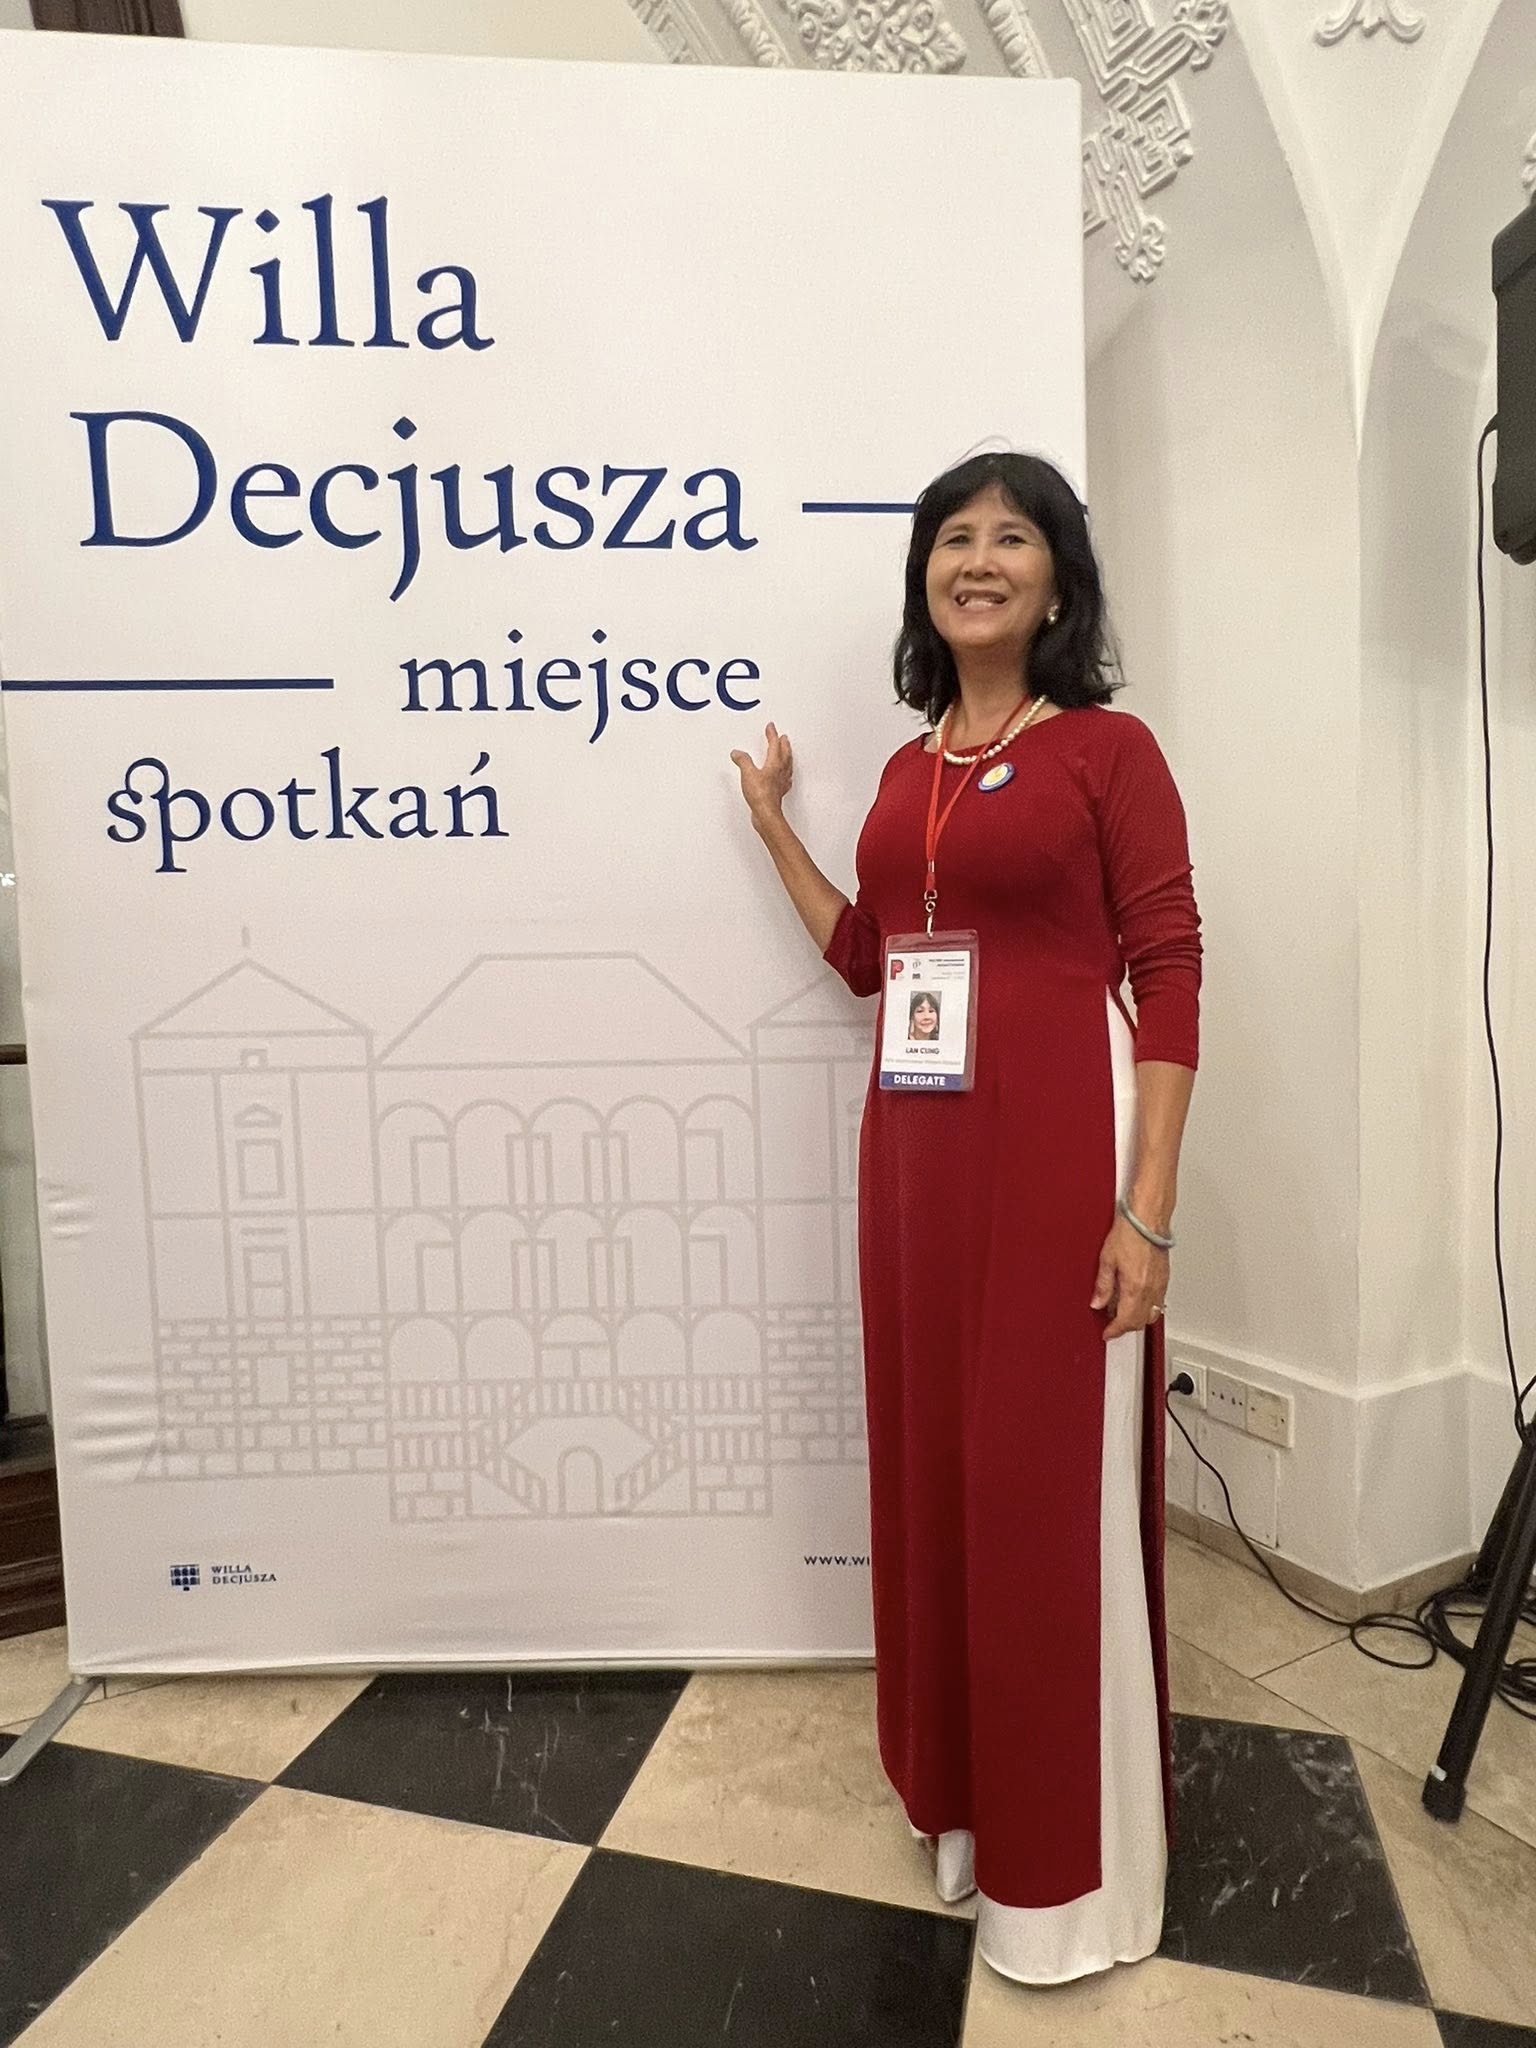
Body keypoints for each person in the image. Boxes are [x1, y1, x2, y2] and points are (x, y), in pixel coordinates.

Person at [729, 450, 1200, 1986]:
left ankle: (1066, 1879)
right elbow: (874, 959)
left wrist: (1147, 1215)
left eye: (1011, 537)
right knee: (939, 1476)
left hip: (1061, 1155)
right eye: (952, 537)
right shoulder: (905, 771)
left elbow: (1170, 971)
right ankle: (967, 1806)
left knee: (1039, 1498)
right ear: (923, 576)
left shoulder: (1109, 752)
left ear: (1059, 581)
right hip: (918, 1166)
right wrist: (772, 824)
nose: (977, 559)